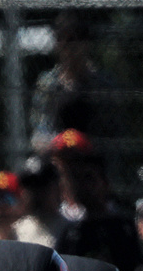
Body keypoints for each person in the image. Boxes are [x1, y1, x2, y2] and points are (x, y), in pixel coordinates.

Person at [47, 130, 143, 271]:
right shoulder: (72, 232)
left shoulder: (124, 227)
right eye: (76, 178)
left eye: (89, 179)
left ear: (105, 182)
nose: (84, 187)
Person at [30, 13, 124, 163]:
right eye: (62, 40)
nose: (68, 47)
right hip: (57, 157)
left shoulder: (103, 84)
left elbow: (112, 133)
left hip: (94, 159)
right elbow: (41, 131)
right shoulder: (48, 84)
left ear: (86, 44)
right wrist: (60, 146)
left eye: (74, 40)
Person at [12, 156, 68, 248]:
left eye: (42, 187)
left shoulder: (69, 230)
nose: (37, 195)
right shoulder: (18, 231)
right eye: (32, 188)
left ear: (57, 189)